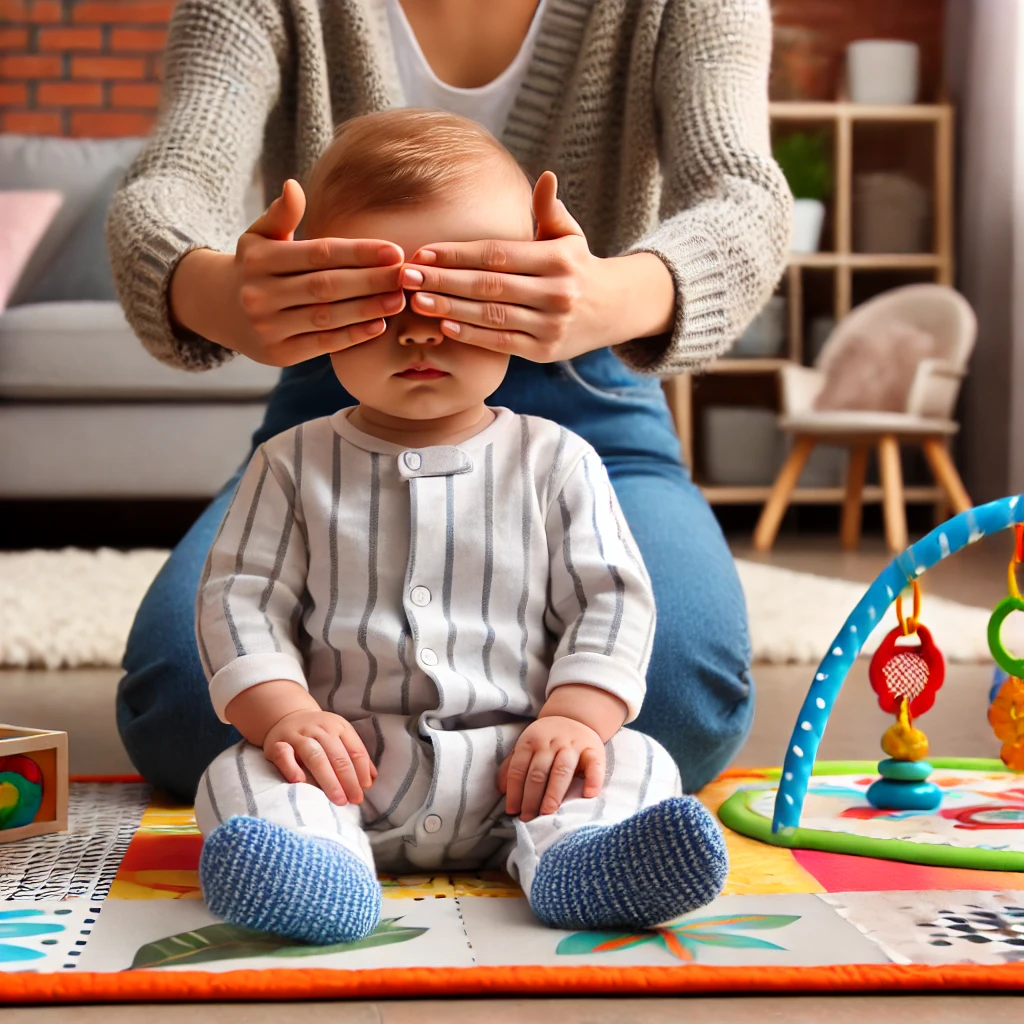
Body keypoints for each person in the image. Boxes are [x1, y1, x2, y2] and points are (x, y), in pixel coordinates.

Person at [109, 0, 791, 803]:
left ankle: (404, 787)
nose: (426, 331)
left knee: (676, 705)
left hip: (593, 394)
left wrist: (610, 295)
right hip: (337, 398)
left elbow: (745, 195)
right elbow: (172, 184)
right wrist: (213, 288)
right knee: (183, 712)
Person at [194, 110, 729, 945]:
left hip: (524, 770)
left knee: (638, 758)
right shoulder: (291, 464)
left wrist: (575, 717)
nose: (418, 329)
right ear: (317, 303)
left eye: (457, 296)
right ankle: (319, 868)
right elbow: (240, 601)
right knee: (239, 771)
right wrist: (285, 714)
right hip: (350, 768)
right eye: (381, 300)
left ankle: (578, 860)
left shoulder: (558, 461)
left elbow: (611, 599)